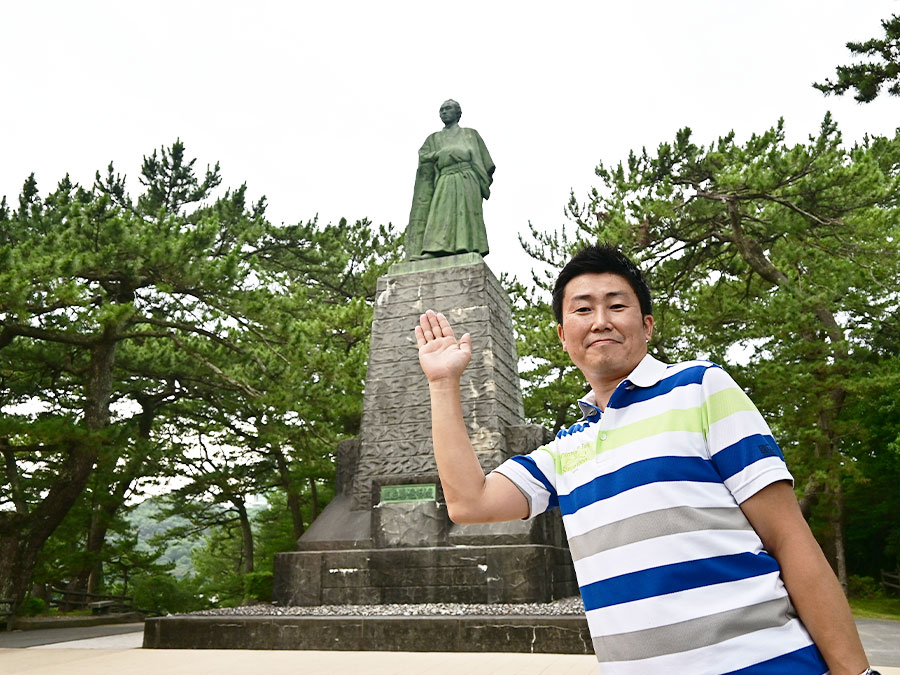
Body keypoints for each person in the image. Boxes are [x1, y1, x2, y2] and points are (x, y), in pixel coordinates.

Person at [414, 244, 878, 674]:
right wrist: (442, 384)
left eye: (617, 305)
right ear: (562, 334)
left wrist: (855, 672)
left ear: (647, 324)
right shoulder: (565, 449)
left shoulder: (699, 387)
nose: (600, 320)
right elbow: (469, 503)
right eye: (582, 309)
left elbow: (789, 537)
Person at [404, 99, 495, 260]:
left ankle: (468, 247)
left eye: (448, 109)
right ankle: (434, 249)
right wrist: (438, 154)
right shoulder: (434, 138)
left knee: (465, 213)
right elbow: (423, 156)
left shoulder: (470, 134)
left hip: (467, 178)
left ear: (457, 113)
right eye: (441, 110)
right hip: (445, 178)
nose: (444, 112)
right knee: (439, 215)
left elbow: (487, 163)